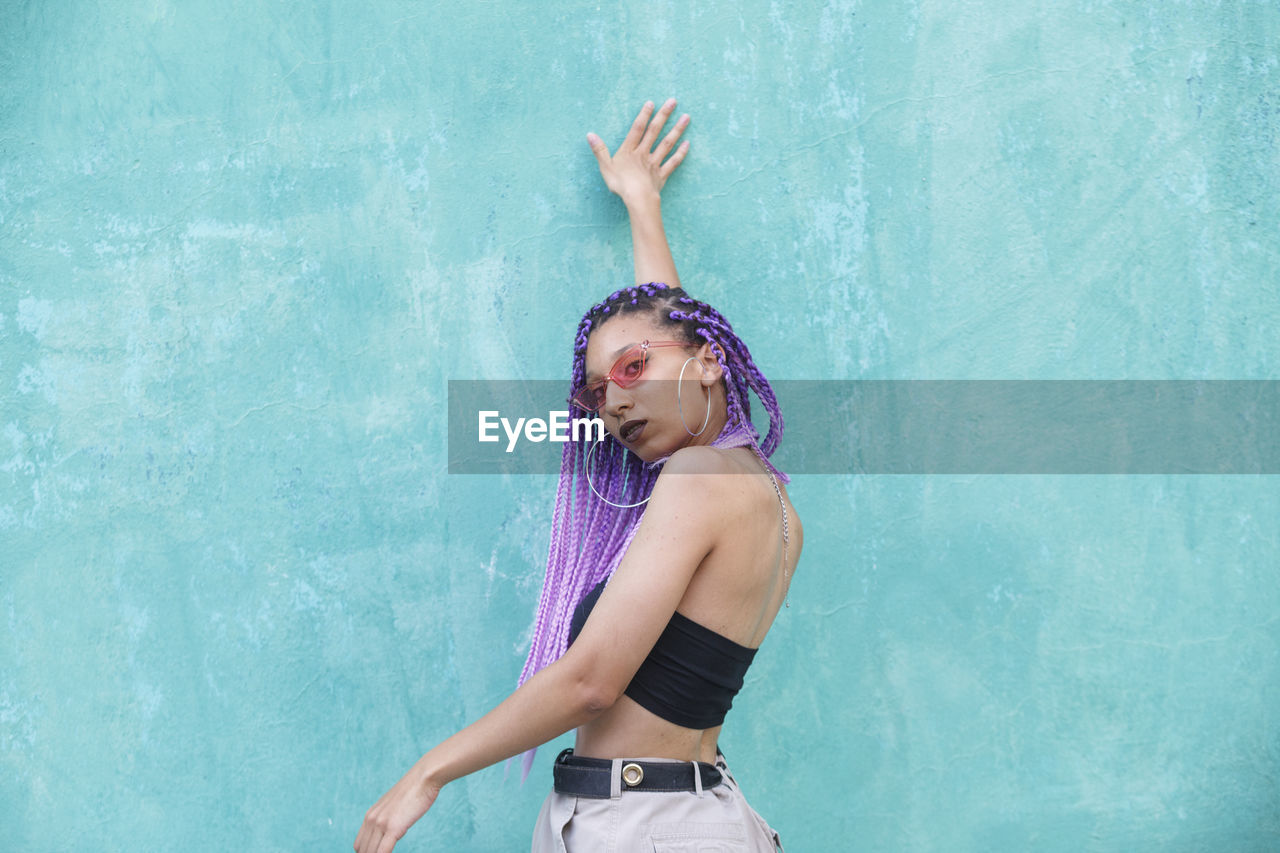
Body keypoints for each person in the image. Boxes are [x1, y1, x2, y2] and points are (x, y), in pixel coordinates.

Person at [355, 98, 802, 853]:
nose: (616, 400)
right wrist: (641, 206)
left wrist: (427, 772)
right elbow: (669, 338)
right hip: (664, 816)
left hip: (650, 827)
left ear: (709, 358)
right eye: (598, 393)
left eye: (632, 371)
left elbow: (591, 681)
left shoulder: (700, 477)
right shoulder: (748, 485)